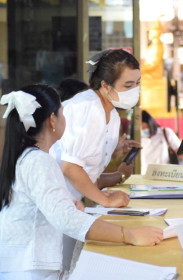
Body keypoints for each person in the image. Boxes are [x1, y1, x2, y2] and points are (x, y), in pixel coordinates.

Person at [0, 85, 163, 279]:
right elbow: (66, 218)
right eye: (63, 112)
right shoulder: (38, 160)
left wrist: (67, 201)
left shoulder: (30, 157)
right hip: (29, 269)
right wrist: (130, 235)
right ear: (52, 120)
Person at [51, 49, 142, 269]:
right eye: (128, 86)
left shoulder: (111, 114)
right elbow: (71, 167)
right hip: (53, 205)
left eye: (138, 83)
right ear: (105, 86)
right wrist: (104, 200)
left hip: (71, 204)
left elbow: (88, 168)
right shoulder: (87, 107)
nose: (135, 91)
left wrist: (99, 191)